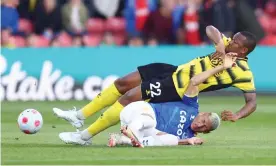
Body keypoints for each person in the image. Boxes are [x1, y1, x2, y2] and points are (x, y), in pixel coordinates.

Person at [53, 25, 257, 144]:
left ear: (243, 51)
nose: (231, 42)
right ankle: (79, 116)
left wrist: (238, 115)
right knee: (122, 83)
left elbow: (252, 101)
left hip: (178, 87)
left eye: (235, 43)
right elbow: (210, 29)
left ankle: (85, 136)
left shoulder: (243, 72)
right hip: (174, 70)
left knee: (128, 99)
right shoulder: (227, 45)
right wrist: (221, 46)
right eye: (232, 39)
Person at [58, 53, 237, 146]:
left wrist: (188, 141)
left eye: (204, 127)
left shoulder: (188, 136)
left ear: (204, 133)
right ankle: (82, 120)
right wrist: (221, 64)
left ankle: (100, 136)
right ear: (202, 113)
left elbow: (167, 141)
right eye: (203, 120)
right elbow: (195, 80)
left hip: (151, 121)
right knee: (124, 87)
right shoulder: (191, 106)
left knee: (156, 135)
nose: (200, 124)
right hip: (168, 79)